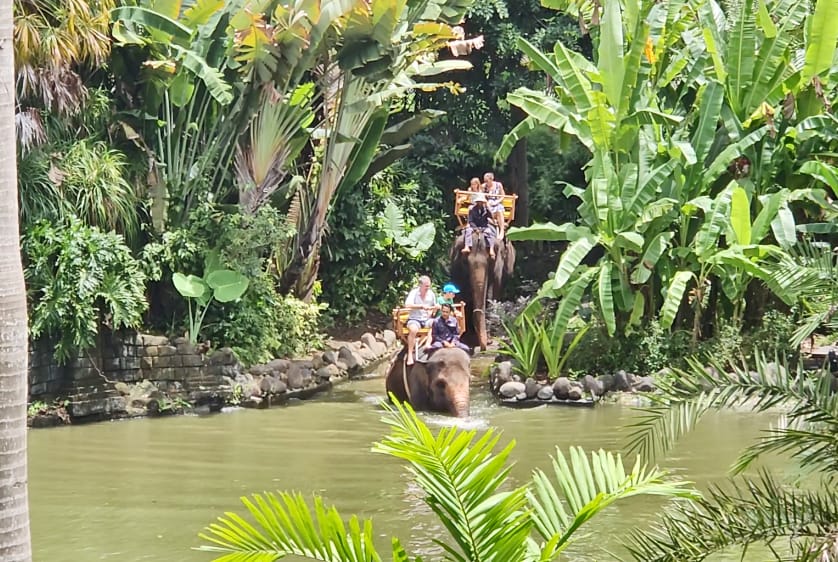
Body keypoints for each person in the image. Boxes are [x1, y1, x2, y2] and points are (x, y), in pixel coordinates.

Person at [404, 275, 437, 366]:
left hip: (426, 319)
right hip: (415, 319)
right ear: (420, 285)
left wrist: (433, 309)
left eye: (429, 286)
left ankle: (427, 344)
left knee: (436, 324)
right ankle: (410, 354)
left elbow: (433, 306)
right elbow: (407, 305)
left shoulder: (431, 294)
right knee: (413, 329)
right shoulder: (414, 293)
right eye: (426, 286)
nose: (428, 288)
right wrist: (420, 306)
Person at [461, 193, 496, 259]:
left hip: (484, 226)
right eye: (479, 202)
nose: (480, 203)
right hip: (474, 226)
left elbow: (491, 217)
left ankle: (491, 249)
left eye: (481, 202)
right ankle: (467, 246)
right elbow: (470, 221)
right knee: (468, 230)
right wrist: (475, 228)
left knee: (490, 232)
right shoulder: (472, 210)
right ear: (476, 202)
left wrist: (488, 208)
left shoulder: (486, 210)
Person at [482, 172, 506, 240]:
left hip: (496, 203)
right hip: (487, 203)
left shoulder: (498, 185)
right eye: (485, 181)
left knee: (499, 209)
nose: (486, 182)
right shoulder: (483, 186)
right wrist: (487, 203)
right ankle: (491, 221)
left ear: (491, 179)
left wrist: (497, 202)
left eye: (487, 181)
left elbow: (502, 195)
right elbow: (481, 196)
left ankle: (502, 231)